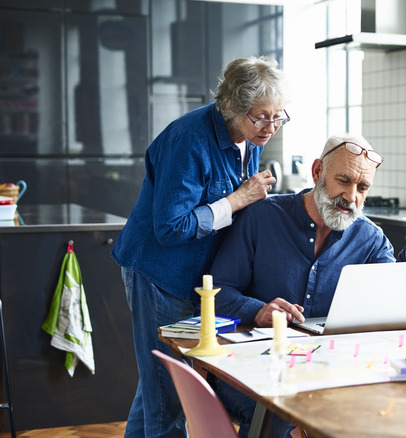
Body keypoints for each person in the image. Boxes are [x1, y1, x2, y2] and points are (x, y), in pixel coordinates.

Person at [209, 133, 406, 437]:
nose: (351, 197)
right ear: (318, 171)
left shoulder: (369, 238)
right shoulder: (261, 217)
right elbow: (217, 292)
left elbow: (400, 306)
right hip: (255, 368)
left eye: (362, 187)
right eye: (344, 181)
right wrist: (258, 311)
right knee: (280, 413)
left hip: (333, 371)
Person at [111, 56, 290, 438]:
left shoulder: (249, 137)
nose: (271, 128)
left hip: (195, 276)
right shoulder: (189, 140)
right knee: (169, 392)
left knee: (156, 386)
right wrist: (240, 199)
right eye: (261, 117)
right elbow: (171, 228)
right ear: (231, 106)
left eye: (278, 117)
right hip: (160, 273)